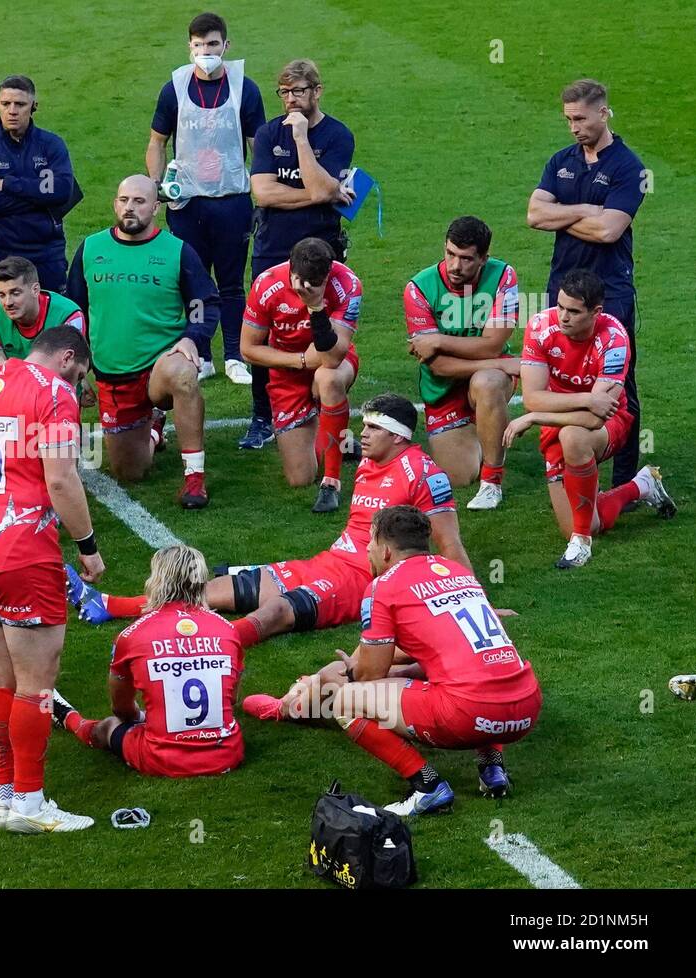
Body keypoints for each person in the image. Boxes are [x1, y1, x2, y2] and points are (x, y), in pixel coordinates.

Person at [69, 394, 469, 640]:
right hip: (330, 561)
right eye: (362, 425)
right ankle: (108, 604)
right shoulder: (368, 463)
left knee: (276, 610)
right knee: (226, 585)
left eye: (374, 428)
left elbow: (449, 543)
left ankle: (222, 644)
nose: (361, 434)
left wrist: (472, 600)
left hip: (363, 581)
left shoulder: (423, 473)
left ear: (398, 436)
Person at [245, 506, 543, 816]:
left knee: (344, 699)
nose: (368, 551)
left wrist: (348, 669)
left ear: (385, 550)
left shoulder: (383, 587)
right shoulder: (455, 571)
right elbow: (443, 652)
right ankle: (492, 768)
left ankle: (428, 786)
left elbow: (370, 674)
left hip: (466, 713)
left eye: (370, 543)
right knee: (471, 671)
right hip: (525, 708)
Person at [0, 325, 102, 833]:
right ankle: (30, 805)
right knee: (35, 683)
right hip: (23, 552)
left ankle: (4, 800)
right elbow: (59, 477)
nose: (78, 384)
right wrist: (88, 546)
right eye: (79, 374)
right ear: (68, 358)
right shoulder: (54, 394)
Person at [504, 270, 674, 569]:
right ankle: (642, 485)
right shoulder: (540, 327)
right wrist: (584, 398)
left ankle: (581, 544)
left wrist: (535, 418)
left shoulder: (614, 339)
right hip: (560, 418)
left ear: (596, 312)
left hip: (611, 422)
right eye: (559, 307)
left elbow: (595, 418)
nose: (563, 317)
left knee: (574, 436)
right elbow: (533, 397)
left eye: (573, 311)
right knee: (583, 521)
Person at [66, 175, 219, 507]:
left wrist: (193, 338)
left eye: (138, 201)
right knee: (129, 472)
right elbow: (74, 311)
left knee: (183, 373)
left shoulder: (177, 251)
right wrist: (79, 368)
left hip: (160, 365)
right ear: (115, 204)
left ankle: (194, 478)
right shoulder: (91, 248)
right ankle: (154, 427)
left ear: (156, 207)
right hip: (113, 373)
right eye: (123, 200)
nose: (129, 208)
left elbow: (204, 302)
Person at [53, 545, 263, 778]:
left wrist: (147, 718)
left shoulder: (132, 635)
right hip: (226, 755)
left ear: (157, 580)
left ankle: (70, 718)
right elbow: (231, 699)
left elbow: (122, 708)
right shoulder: (228, 630)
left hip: (163, 760)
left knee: (109, 726)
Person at [528, 79, 647, 488]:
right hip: (562, 287)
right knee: (561, 373)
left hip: (610, 290)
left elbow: (609, 231)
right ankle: (568, 460)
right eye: (568, 120)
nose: (574, 127)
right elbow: (534, 216)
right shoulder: (561, 160)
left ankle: (626, 479)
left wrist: (561, 212)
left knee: (617, 383)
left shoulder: (629, 168)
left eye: (580, 118)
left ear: (603, 112)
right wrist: (583, 209)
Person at [145, 11, 266, 385]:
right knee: (193, 281)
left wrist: (261, 191)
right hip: (187, 203)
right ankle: (202, 354)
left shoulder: (245, 88)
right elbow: (156, 142)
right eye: (198, 45)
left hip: (231, 199)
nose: (205, 51)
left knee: (230, 282)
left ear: (226, 46)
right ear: (189, 47)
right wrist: (156, 186)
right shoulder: (174, 88)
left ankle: (234, 355)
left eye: (212, 44)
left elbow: (255, 145)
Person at [242, 58, 355, 451]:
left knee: (326, 327)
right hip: (272, 249)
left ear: (317, 91)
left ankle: (329, 409)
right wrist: (316, 194)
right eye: (284, 92)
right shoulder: (268, 132)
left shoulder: (338, 135)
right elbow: (264, 193)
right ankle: (261, 416)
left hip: (323, 251)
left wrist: (303, 139)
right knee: (264, 331)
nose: (290, 100)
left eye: (298, 92)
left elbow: (322, 189)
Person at [0, 75, 79, 383]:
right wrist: (36, 198)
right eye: (6, 104)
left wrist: (9, 185)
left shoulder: (51, 145)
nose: (12, 110)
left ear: (34, 106)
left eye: (20, 104)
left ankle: (59, 402)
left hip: (44, 252)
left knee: (56, 331)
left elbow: (62, 192)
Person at [404, 216, 521, 508]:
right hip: (442, 387)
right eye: (450, 254)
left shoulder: (504, 276)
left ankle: (492, 483)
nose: (456, 266)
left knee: (489, 382)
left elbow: (493, 344)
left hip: (488, 376)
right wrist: (501, 362)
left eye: (467, 259)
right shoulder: (418, 288)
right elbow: (438, 366)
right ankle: (485, 427)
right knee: (458, 476)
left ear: (483, 258)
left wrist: (440, 341)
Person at [239, 237, 362, 513]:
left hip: (332, 360)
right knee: (299, 477)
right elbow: (248, 349)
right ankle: (337, 436)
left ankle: (331, 483)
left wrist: (316, 307)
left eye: (316, 284)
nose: (306, 288)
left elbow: (332, 357)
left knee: (328, 379)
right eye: (301, 281)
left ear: (329, 273)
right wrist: (301, 361)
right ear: (291, 269)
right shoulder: (267, 284)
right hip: (288, 369)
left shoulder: (348, 284)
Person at [0, 256, 86, 373]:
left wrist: (5, 367)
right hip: (11, 389)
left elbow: (61, 375)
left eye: (16, 293)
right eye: (2, 295)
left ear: (35, 290)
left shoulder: (69, 316)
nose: (8, 303)